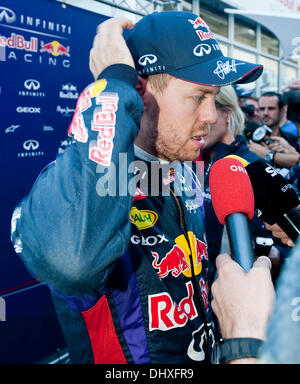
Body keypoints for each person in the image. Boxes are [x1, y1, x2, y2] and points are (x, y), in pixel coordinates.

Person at [11, 12, 269, 364]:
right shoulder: (78, 190)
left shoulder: (179, 169)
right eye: (198, 97)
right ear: (139, 92)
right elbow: (71, 260)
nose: (211, 116)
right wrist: (113, 83)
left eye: (215, 96)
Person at [197, 85, 272, 286]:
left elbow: (278, 239)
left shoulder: (252, 164)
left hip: (232, 287)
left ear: (227, 113)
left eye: (206, 111)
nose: (199, 121)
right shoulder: (191, 162)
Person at [248, 92, 299, 169]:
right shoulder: (250, 142)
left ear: (281, 111)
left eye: (271, 108)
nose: (265, 113)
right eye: (262, 109)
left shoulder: (291, 139)